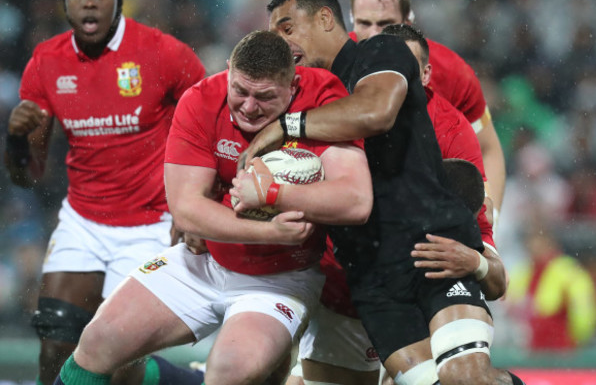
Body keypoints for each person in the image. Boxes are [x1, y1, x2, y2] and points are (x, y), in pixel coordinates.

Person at [52, 30, 373, 385]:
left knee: (228, 372)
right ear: (228, 72)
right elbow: (187, 209)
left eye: (265, 96)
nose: (249, 106)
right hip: (203, 262)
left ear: (293, 85)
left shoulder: (323, 96)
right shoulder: (202, 100)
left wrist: (271, 193)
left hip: (282, 279)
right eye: (240, 90)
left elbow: (356, 201)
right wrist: (269, 230)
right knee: (98, 341)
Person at [244, 0, 524, 385]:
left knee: (466, 378)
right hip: (371, 277)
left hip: (431, 249)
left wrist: (289, 126)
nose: (280, 42)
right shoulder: (301, 95)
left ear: (325, 19)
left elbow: (376, 111)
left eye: (287, 28)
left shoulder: (380, 52)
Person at [3, 0, 206, 385]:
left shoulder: (164, 53)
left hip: (150, 223)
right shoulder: (46, 61)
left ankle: (188, 380)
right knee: (56, 336)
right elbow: (26, 174)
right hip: (84, 222)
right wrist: (16, 139)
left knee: (119, 363)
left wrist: (196, 206)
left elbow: (211, 125)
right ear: (65, 2)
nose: (90, 2)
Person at [348, 0, 507, 229]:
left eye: (386, 24)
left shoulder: (452, 72)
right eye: (365, 23)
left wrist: (491, 224)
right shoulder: (334, 66)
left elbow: (489, 149)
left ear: (407, 24)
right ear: (351, 21)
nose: (375, 35)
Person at [507, 222, 596, 351]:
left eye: (539, 242)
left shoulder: (570, 272)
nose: (534, 247)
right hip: (529, 349)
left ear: (551, 243)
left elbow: (584, 314)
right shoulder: (522, 271)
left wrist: (576, 341)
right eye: (530, 242)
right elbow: (510, 305)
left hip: (561, 350)